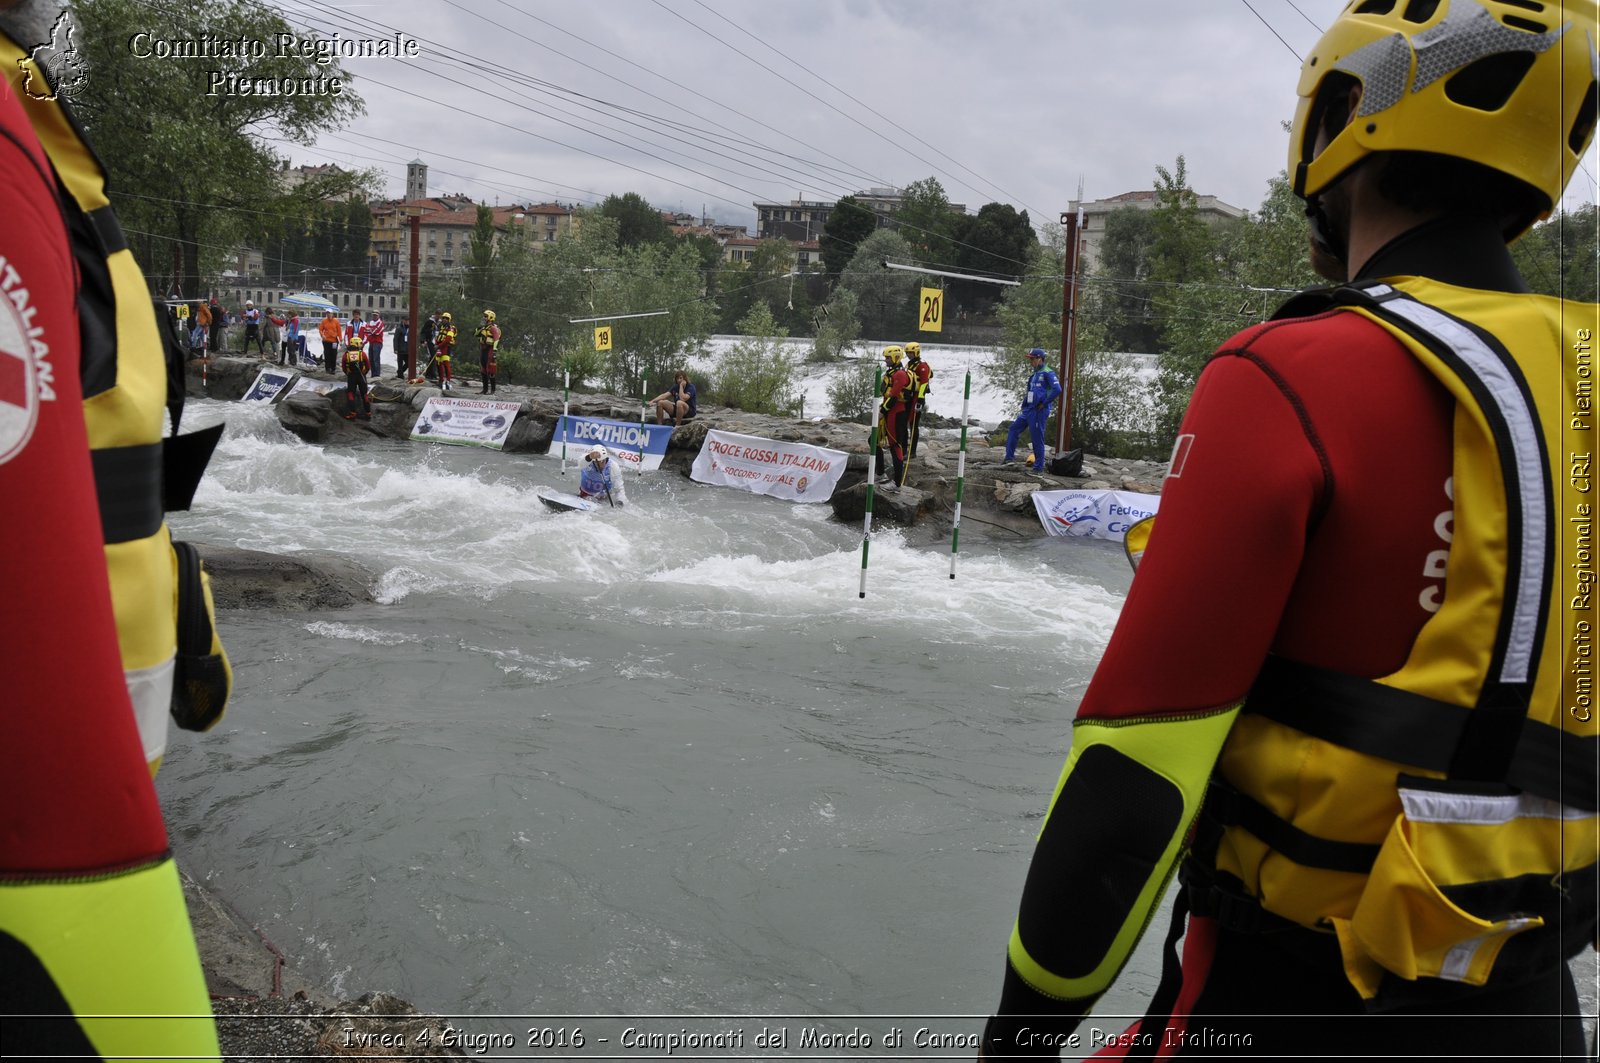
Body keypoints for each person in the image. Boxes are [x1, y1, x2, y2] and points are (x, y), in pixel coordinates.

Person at [982, 4, 1599, 1060]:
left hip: (1280, 1004)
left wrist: (1014, 1041)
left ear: (1339, 119)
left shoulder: (1285, 375)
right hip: (1534, 1013)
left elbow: (1130, 789)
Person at [1, 9, 228, 1057]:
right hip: (49, 797)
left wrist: (183, 595)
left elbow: (112, 432)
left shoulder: (47, 134)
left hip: (116, 694)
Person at [1002, 348, 1059, 473]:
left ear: (1040, 359)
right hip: (1029, 410)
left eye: (1032, 359)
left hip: (1039, 411)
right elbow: (1030, 392)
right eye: (1030, 359)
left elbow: (1057, 389)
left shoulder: (1048, 373)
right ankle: (1009, 458)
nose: (1031, 361)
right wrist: (1024, 405)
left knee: (1037, 438)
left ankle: (1038, 468)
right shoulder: (1034, 375)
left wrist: (1044, 403)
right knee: (1013, 428)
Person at [874, 345, 913, 489]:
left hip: (896, 414)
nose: (886, 360)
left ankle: (897, 483)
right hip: (889, 412)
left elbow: (894, 397)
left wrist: (882, 412)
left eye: (888, 357)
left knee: (895, 445)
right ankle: (880, 474)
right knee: (873, 440)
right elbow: (884, 393)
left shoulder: (900, 375)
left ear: (896, 358)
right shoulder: (891, 373)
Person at [904, 341, 932, 458]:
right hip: (909, 397)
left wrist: (920, 400)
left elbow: (924, 384)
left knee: (913, 425)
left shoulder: (922, 366)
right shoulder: (909, 364)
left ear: (916, 352)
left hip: (917, 398)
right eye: (907, 353)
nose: (909, 355)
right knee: (905, 423)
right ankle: (904, 448)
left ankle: (912, 452)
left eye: (911, 352)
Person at [341, 337, 372, 421]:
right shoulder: (362, 354)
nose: (361, 345)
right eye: (360, 343)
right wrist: (364, 373)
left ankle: (353, 413)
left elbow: (344, 367)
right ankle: (368, 413)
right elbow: (368, 366)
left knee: (351, 394)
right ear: (357, 344)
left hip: (351, 376)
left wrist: (348, 374)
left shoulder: (346, 355)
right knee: (364, 394)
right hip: (362, 376)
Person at [475, 309, 501, 394]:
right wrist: (480, 327)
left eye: (486, 316)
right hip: (483, 350)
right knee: (483, 370)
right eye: (484, 316)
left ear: (490, 318)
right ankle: (484, 390)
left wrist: (494, 350)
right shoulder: (483, 327)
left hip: (490, 349)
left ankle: (493, 390)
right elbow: (476, 334)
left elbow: (496, 339)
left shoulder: (493, 328)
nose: (484, 318)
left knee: (491, 370)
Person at [434, 310, 457, 391]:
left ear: (449, 320)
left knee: (446, 364)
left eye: (446, 319)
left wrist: (438, 346)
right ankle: (441, 380)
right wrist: (436, 345)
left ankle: (448, 381)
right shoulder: (440, 327)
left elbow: (448, 339)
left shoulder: (451, 329)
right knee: (438, 363)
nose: (444, 320)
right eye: (443, 318)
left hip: (446, 347)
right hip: (439, 347)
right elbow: (437, 337)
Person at [318, 309, 342, 373]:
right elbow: (320, 329)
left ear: (332, 314)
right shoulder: (324, 321)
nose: (328, 314)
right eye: (327, 313)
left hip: (334, 341)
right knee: (327, 354)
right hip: (326, 341)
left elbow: (339, 331)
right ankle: (327, 368)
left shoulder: (336, 321)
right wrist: (322, 335)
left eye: (329, 313)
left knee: (333, 354)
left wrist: (341, 340)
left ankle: (333, 368)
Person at [419, 309, 439, 382]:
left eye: (439, 315)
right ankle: (431, 374)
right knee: (432, 356)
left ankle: (430, 373)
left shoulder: (439, 323)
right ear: (435, 314)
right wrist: (422, 341)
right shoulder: (429, 322)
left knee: (435, 358)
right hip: (430, 341)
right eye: (437, 314)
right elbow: (423, 331)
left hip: (437, 342)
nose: (438, 316)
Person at [364, 311, 385, 379]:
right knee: (371, 359)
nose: (374, 316)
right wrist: (370, 331)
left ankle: (377, 374)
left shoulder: (380, 323)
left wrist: (370, 330)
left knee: (376, 359)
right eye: (373, 315)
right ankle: (373, 374)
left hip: (377, 343)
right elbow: (366, 331)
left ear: (379, 316)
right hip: (371, 342)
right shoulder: (370, 322)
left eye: (376, 315)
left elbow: (376, 332)